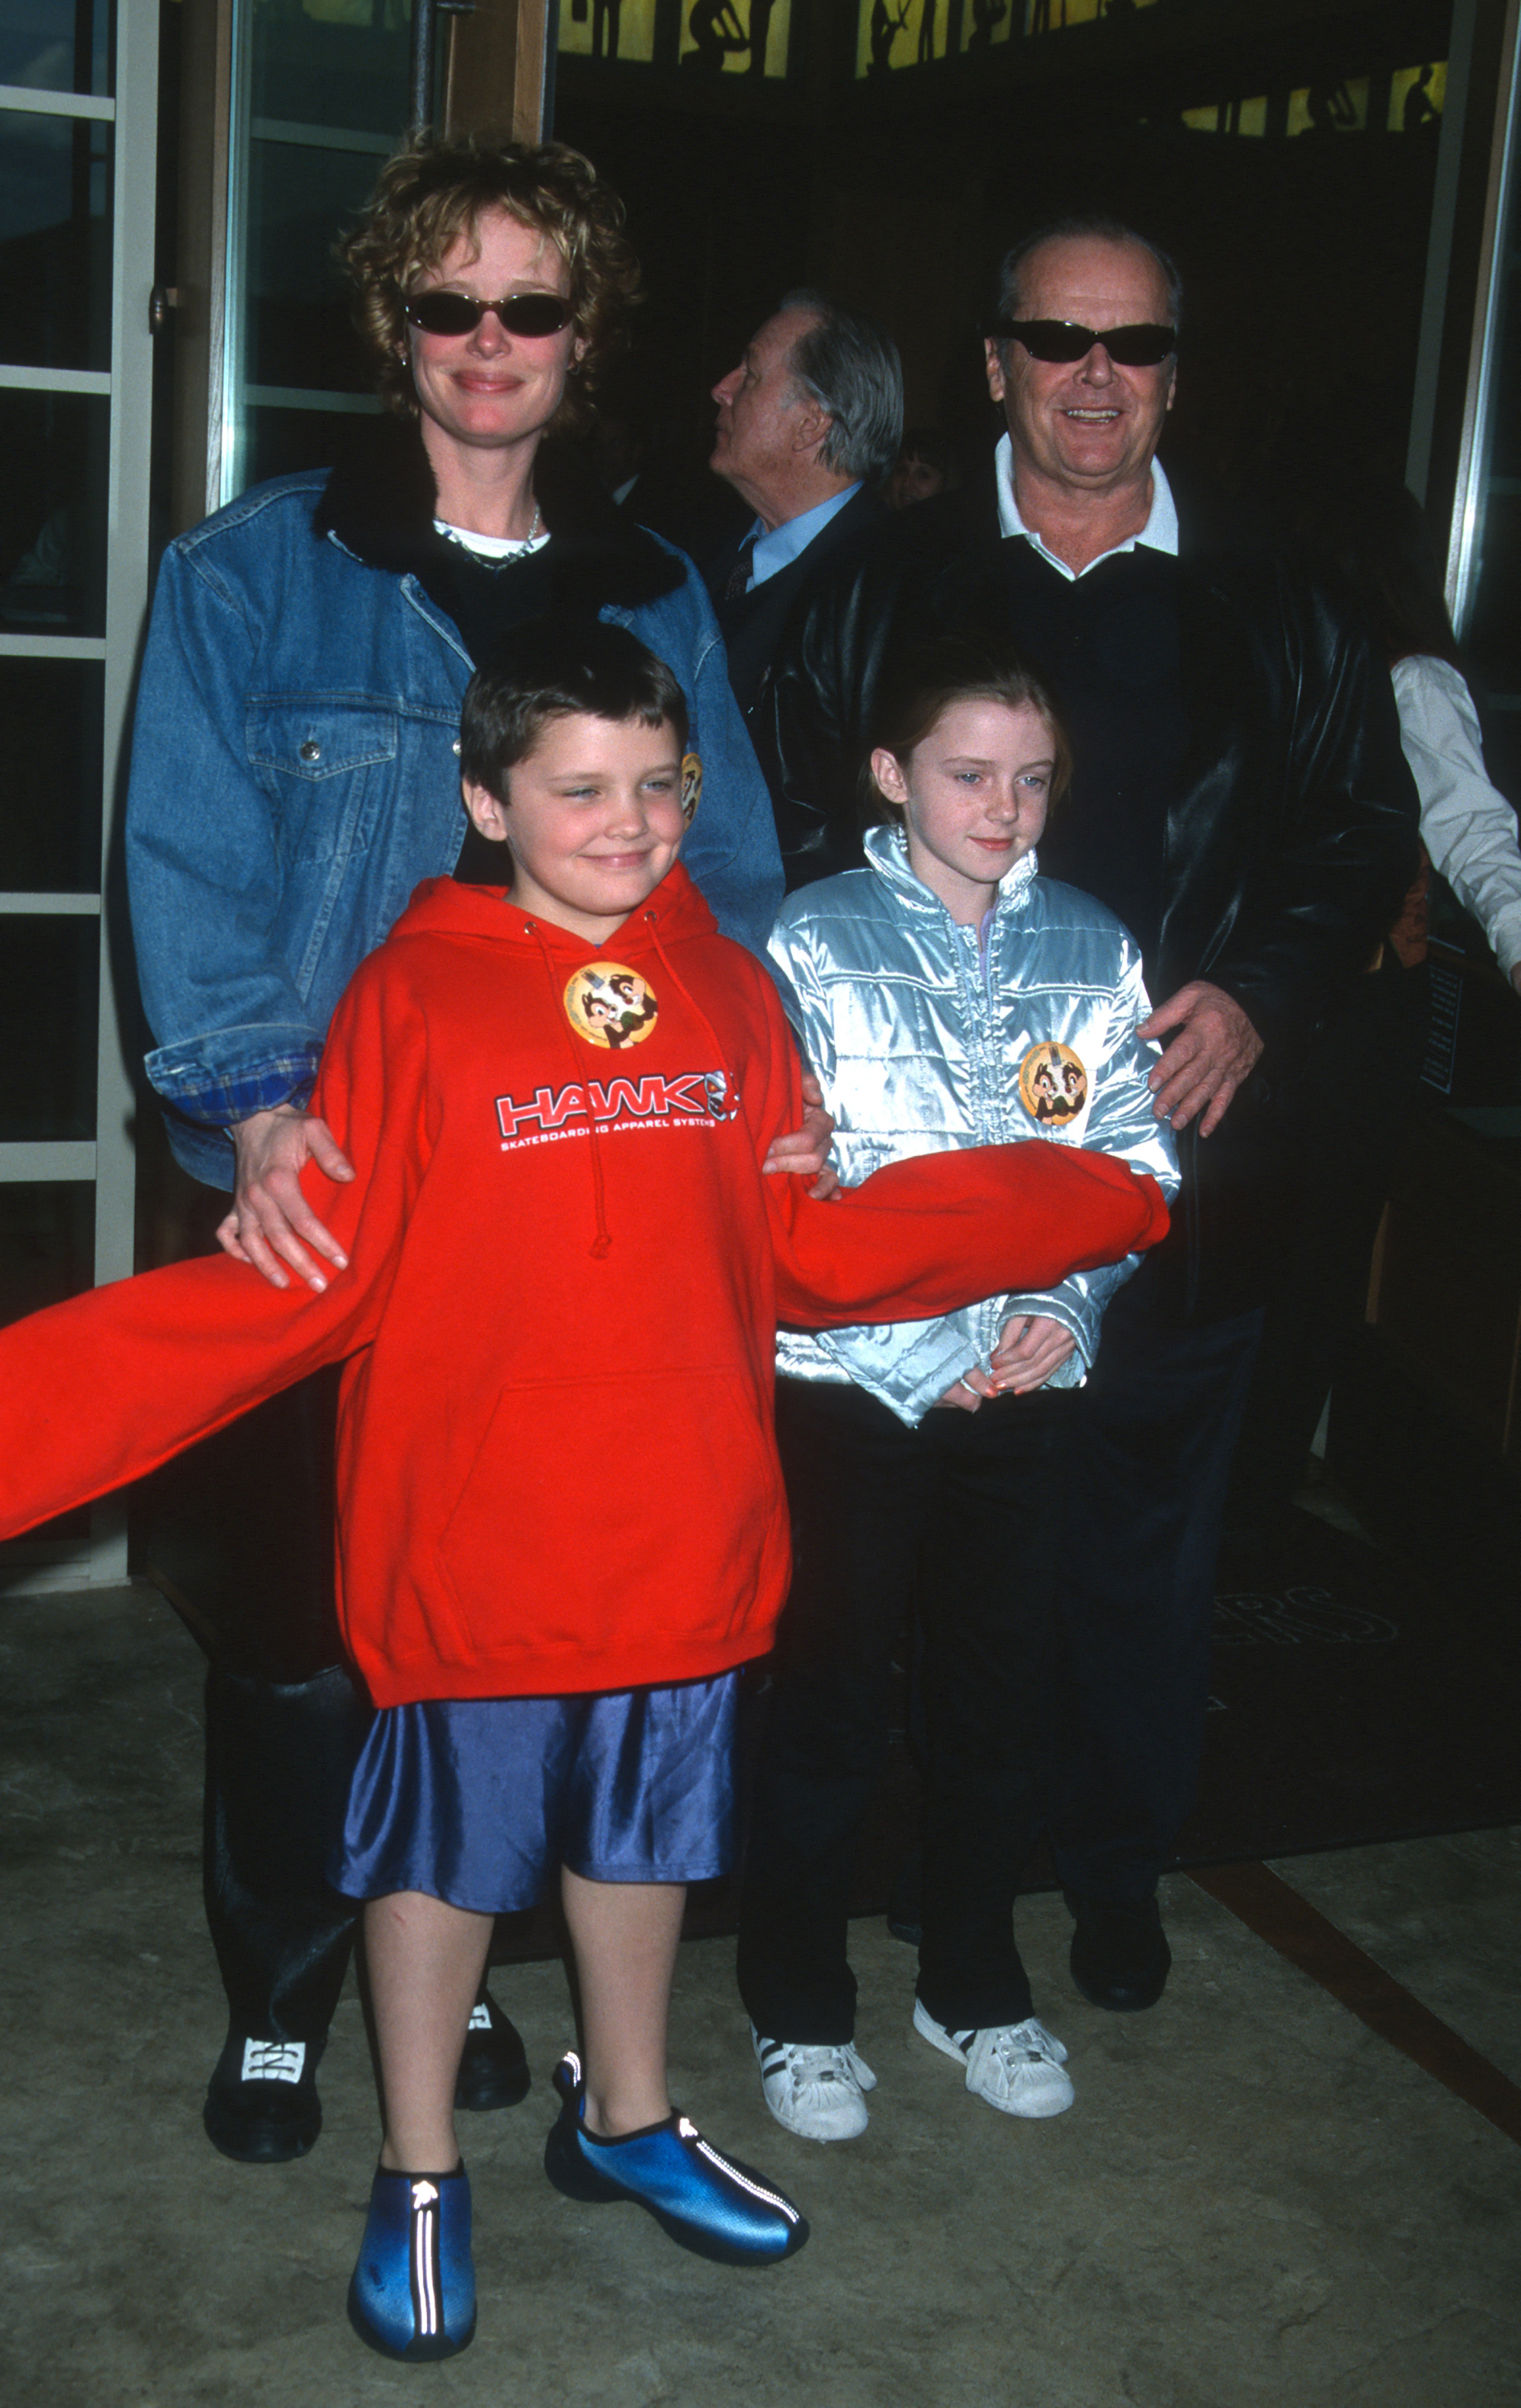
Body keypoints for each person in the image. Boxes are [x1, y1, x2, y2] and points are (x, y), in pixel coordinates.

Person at [0, 619, 1170, 2359]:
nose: (623, 828)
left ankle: (622, 2117)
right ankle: (413, 2170)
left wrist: (1090, 1198)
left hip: (681, 1513)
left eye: (656, 789)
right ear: (482, 800)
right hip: (479, 1531)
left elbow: (805, 1248)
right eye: (575, 793)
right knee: (448, 1858)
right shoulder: (413, 995)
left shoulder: (723, 979)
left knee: (643, 1843)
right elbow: (314, 1278)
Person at [124, 131, 798, 2166]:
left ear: (580, 333)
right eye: (447, 303)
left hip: (575, 1211)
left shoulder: (652, 581)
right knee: (310, 1631)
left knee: (526, 1624)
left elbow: (732, 887)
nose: (486, 342)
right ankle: (284, 1990)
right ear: (393, 325)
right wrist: (252, 1107)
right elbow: (188, 867)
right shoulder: (252, 572)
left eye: (529, 304)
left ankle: (473, 1968)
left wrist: (771, 1097)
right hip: (323, 1194)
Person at [764, 215, 1420, 2013]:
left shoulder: (1278, 594)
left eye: (1129, 346)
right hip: (906, 1202)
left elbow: (1359, 822)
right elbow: (780, 825)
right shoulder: (878, 576)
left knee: (1135, 1555)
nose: (1089, 377)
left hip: (1161, 1168)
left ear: (1171, 374)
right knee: (895, 1581)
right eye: (1053, 337)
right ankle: (907, 1890)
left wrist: (1260, 992)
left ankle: (1105, 1870)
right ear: (992, 360)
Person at [738, 631, 1178, 2140]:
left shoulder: (1096, 945)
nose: (1004, 809)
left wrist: (1065, 1303)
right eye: (969, 775)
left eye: (1033, 779)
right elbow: (787, 1184)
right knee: (831, 1702)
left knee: (998, 1697)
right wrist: (930, 1343)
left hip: (1031, 1387)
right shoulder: (807, 940)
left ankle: (974, 1983)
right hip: (854, 1387)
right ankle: (797, 2008)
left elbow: (1135, 1163)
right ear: (891, 776)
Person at [1227, 474, 1521, 1535]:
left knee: (1269, 1252)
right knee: (1312, 1256)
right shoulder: (1403, 678)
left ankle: (1234, 1485)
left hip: (1281, 1006)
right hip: (1343, 1015)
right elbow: (1475, 832)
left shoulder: (1294, 670)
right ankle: (1251, 1498)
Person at [706, 291, 901, 878]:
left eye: (751, 374)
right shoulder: (701, 553)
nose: (722, 387)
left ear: (811, 423)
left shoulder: (890, 590)